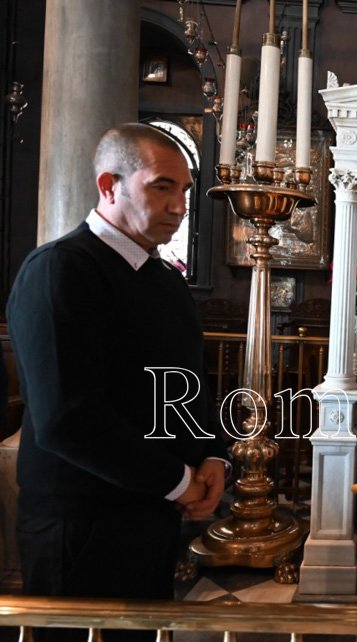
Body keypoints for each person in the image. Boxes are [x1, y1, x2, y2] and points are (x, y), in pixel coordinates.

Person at [7, 123, 229, 642]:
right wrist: (179, 480)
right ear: (109, 185)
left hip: (152, 511)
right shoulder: (61, 270)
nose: (179, 206)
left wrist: (213, 455)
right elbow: (67, 419)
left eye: (184, 190)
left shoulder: (164, 279)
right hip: (82, 522)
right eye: (161, 187)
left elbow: (186, 384)